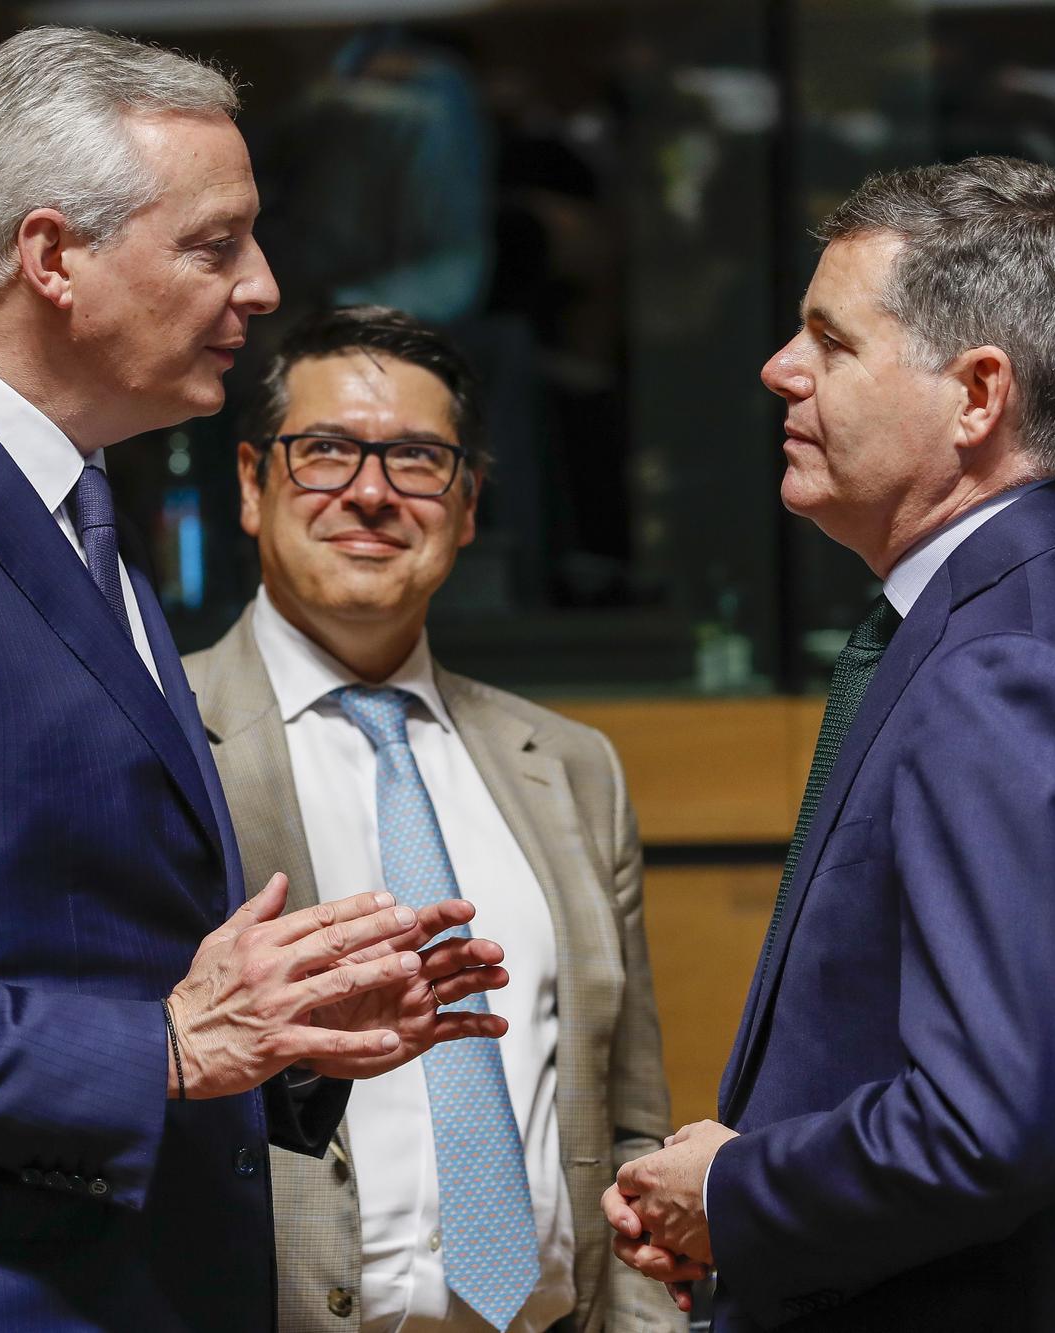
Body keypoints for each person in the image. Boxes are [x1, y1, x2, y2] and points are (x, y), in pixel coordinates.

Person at [0, 29, 509, 1333]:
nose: (261, 286)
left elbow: (72, 935)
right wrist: (166, 1049)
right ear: (53, 255)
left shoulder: (69, 500)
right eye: (214, 244)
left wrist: (281, 1037)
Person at [603, 156, 1055, 1330]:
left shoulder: (1007, 666)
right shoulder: (1027, 610)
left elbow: (987, 1125)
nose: (779, 368)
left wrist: (731, 1190)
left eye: (830, 342)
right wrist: (744, 1221)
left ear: (975, 395)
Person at [183, 305, 682, 1333]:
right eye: (324, 452)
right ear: (249, 483)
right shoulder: (156, 742)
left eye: (415, 459)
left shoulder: (571, 770)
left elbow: (631, 1128)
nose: (370, 493)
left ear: (465, 507)